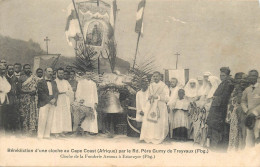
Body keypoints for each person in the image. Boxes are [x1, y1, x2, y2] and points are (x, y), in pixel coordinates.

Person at [207, 67, 234, 151]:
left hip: (220, 111)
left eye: (223, 75)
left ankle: (217, 148)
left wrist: (215, 98)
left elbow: (225, 98)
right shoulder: (222, 83)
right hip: (216, 110)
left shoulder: (227, 84)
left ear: (227, 75)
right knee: (214, 129)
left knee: (218, 129)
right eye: (221, 75)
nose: (221, 77)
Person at [140, 71, 169, 144]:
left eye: (157, 76)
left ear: (160, 77)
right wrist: (149, 97)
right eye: (154, 76)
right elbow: (147, 95)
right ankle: (149, 136)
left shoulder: (164, 86)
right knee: (150, 121)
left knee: (159, 122)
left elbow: (167, 98)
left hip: (160, 106)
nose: (155, 77)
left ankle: (158, 137)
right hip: (151, 105)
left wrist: (158, 97)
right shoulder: (151, 85)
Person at [226, 72, 249, 151]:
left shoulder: (245, 89)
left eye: (241, 79)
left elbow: (240, 101)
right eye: (238, 79)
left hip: (243, 112)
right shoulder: (236, 89)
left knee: (242, 132)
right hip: (235, 113)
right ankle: (235, 148)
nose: (240, 81)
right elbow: (232, 101)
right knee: (235, 130)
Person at [17, 64, 40, 136]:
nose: (27, 69)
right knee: (24, 114)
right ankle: (24, 130)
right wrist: (29, 92)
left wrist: (34, 92)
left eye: (29, 68)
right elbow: (19, 90)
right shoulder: (21, 78)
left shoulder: (34, 78)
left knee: (32, 113)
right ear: (23, 69)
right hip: (24, 99)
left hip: (32, 98)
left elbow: (37, 87)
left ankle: (31, 130)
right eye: (26, 68)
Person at [51, 67, 73, 137]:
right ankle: (56, 131)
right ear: (57, 74)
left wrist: (67, 92)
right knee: (57, 115)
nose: (61, 74)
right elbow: (53, 91)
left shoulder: (66, 81)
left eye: (62, 73)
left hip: (65, 99)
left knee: (64, 115)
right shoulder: (54, 81)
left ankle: (62, 131)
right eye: (59, 73)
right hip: (58, 99)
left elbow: (71, 90)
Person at [37, 67, 58, 139]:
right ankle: (40, 135)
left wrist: (55, 98)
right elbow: (41, 93)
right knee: (42, 119)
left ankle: (47, 135)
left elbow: (56, 92)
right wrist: (49, 100)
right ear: (45, 72)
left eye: (51, 71)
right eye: (49, 71)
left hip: (52, 102)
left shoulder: (54, 82)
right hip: (44, 102)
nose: (50, 73)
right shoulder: (40, 82)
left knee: (50, 119)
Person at [241, 70, 260, 147]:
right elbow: (243, 101)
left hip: (258, 117)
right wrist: (246, 110)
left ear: (257, 77)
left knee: (257, 138)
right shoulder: (247, 89)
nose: (252, 78)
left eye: (254, 76)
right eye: (250, 76)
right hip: (249, 117)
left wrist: (255, 112)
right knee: (249, 139)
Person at [5, 64, 20, 133]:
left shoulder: (15, 78)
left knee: (14, 114)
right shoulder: (4, 77)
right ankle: (8, 130)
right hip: (7, 98)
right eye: (9, 69)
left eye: (12, 69)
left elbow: (18, 89)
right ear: (7, 70)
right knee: (7, 114)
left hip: (14, 98)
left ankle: (14, 129)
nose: (11, 70)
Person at [0, 64, 11, 134]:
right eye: (1, 69)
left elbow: (8, 87)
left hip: (4, 96)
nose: (3, 71)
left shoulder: (4, 78)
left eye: (4, 69)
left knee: (3, 114)